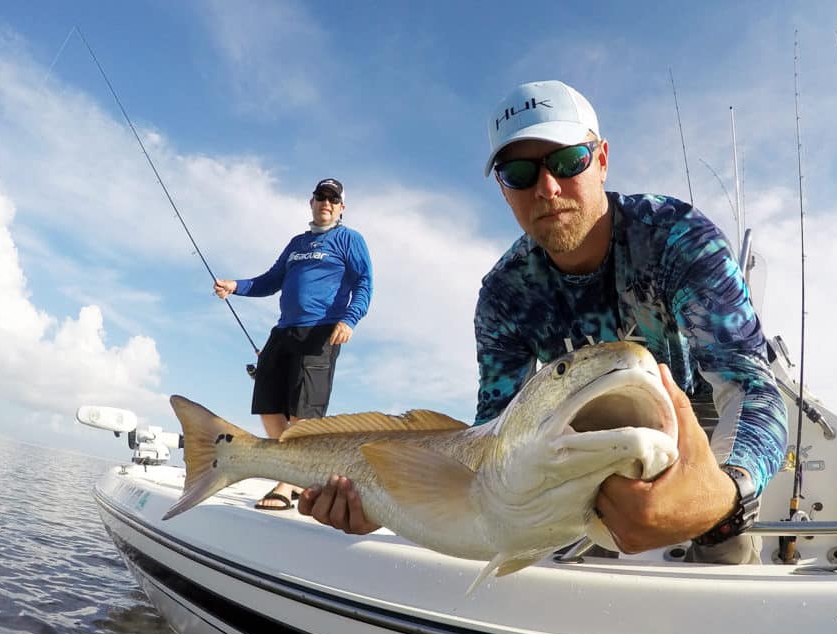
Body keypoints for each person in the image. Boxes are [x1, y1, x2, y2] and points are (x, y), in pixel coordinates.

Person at [299, 81, 787, 564]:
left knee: (727, 544)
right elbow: (494, 430)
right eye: (518, 172)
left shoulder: (679, 239)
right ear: (502, 188)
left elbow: (749, 384)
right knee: (578, 559)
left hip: (696, 419)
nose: (548, 189)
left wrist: (725, 491)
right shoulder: (504, 294)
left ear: (601, 158)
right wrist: (393, 502)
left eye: (567, 161)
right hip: (572, 430)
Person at [214, 177, 373, 511]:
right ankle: (296, 474)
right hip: (284, 330)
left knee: (303, 412)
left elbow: (364, 283)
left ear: (341, 207)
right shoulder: (296, 243)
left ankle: (287, 483)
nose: (325, 203)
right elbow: (271, 280)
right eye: (320, 197)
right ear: (311, 202)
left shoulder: (349, 240)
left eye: (332, 199)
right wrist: (235, 286)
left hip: (321, 330)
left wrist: (350, 319)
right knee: (268, 402)